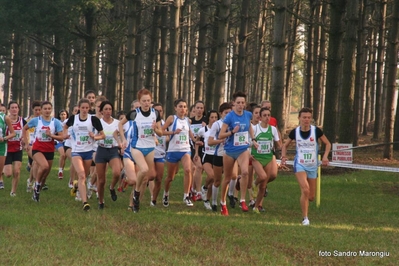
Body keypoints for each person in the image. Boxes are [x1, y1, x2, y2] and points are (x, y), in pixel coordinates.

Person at [281, 107, 331, 226]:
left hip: (313, 166)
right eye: (304, 117)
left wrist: (325, 157)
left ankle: (305, 202)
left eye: (308, 117)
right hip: (300, 165)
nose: (306, 120)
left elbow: (328, 144)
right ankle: (305, 218)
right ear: (299, 118)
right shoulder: (295, 132)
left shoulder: (316, 131)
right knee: (305, 189)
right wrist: (283, 156)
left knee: (311, 196)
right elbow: (285, 146)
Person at [119, 88, 163, 212]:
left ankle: (136, 200)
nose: (146, 103)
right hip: (136, 147)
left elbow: (161, 133)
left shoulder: (156, 113)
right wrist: (123, 139)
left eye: (148, 100)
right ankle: (136, 194)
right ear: (140, 101)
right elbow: (120, 125)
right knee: (144, 169)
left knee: (148, 177)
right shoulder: (134, 113)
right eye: (144, 101)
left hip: (150, 147)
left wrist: (155, 129)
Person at [64, 98, 105, 211]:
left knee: (84, 176)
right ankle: (85, 202)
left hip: (88, 151)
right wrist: (65, 135)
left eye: (87, 108)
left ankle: (77, 186)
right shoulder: (73, 118)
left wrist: (94, 137)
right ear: (79, 108)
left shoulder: (94, 119)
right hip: (76, 151)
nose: (85, 110)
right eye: (83, 108)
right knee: (81, 175)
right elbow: (65, 127)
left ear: (89, 108)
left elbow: (103, 135)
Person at [218, 91, 254, 216]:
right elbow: (221, 134)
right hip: (229, 151)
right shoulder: (229, 117)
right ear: (234, 103)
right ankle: (223, 203)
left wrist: (253, 139)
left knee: (244, 172)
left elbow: (249, 127)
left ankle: (243, 200)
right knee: (227, 178)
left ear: (245, 104)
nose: (240, 105)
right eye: (238, 103)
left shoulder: (248, 115)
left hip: (242, 149)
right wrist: (232, 132)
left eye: (242, 103)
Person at [23, 101, 63, 202]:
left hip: (49, 150)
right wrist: (27, 144)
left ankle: (36, 192)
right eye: (45, 109)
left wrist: (51, 136)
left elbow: (61, 137)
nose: (47, 111)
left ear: (51, 110)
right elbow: (24, 128)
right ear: (41, 110)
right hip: (37, 149)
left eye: (49, 109)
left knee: (45, 175)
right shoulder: (36, 120)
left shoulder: (56, 122)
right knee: (44, 166)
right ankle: (36, 185)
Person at [162, 99, 195, 207]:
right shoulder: (172, 118)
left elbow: (190, 134)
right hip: (172, 151)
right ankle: (166, 193)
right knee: (170, 177)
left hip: (185, 150)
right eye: (180, 106)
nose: (182, 109)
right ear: (175, 108)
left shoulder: (188, 121)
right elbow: (161, 131)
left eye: (184, 107)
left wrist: (196, 140)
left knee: (188, 169)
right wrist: (173, 132)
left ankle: (186, 196)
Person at [251, 107, 280, 213]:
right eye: (265, 115)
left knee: (263, 186)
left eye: (269, 115)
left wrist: (281, 154)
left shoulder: (273, 129)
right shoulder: (254, 128)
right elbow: (247, 141)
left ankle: (256, 207)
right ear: (260, 117)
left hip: (268, 157)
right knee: (262, 176)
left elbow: (277, 143)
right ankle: (254, 183)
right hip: (256, 157)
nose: (267, 117)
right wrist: (249, 153)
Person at [95, 101, 122, 209]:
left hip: (113, 150)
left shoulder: (117, 122)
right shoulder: (98, 122)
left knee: (117, 172)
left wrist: (121, 143)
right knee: (101, 181)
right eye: (105, 109)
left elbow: (122, 134)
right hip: (101, 150)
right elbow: (94, 135)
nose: (108, 111)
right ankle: (101, 202)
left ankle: (111, 188)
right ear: (101, 111)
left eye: (110, 109)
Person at [208, 102, 232, 212]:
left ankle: (228, 198)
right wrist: (220, 140)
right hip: (219, 154)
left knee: (230, 177)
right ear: (221, 113)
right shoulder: (217, 125)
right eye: (226, 113)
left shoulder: (233, 123)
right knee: (217, 180)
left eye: (230, 112)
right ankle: (214, 202)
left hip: (230, 154)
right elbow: (210, 142)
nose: (228, 115)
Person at [195, 110, 219, 210]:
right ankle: (204, 187)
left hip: (217, 156)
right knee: (212, 176)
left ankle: (207, 200)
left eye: (216, 117)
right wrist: (196, 153)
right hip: (206, 156)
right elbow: (196, 141)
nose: (214, 119)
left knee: (214, 180)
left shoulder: (219, 129)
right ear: (208, 118)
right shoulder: (203, 130)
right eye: (212, 117)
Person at [4, 101, 26, 196]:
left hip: (18, 149)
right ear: (9, 109)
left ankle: (13, 191)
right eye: (12, 107)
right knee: (8, 174)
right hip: (7, 149)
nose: (14, 109)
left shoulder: (22, 121)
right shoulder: (5, 120)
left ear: (18, 109)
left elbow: (26, 130)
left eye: (16, 107)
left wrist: (26, 141)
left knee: (16, 171)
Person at [151, 103, 168, 206]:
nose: (158, 112)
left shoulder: (165, 123)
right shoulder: (148, 122)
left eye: (160, 111)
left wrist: (166, 137)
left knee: (159, 178)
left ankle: (153, 200)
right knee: (150, 176)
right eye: (156, 110)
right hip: (150, 153)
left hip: (161, 154)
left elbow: (169, 136)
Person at [189, 100, 206, 201]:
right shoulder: (190, 121)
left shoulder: (205, 121)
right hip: (192, 148)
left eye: (201, 108)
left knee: (199, 170)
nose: (199, 110)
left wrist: (206, 127)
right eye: (197, 108)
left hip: (203, 148)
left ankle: (193, 189)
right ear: (194, 109)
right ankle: (198, 192)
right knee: (198, 167)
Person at [25, 101, 42, 192]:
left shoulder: (43, 121)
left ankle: (30, 181)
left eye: (39, 110)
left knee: (34, 164)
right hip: (30, 145)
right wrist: (26, 143)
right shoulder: (28, 120)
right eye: (36, 110)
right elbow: (24, 131)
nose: (38, 112)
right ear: (33, 110)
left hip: (39, 145)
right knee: (36, 162)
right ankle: (36, 182)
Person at [0, 105, 16, 191]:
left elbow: (13, 133)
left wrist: (4, 138)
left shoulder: (5, 118)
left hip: (2, 145)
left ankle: (0, 179)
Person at [55, 109, 69, 179]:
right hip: (59, 141)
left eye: (64, 114)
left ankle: (61, 171)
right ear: (59, 116)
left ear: (66, 115)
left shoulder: (69, 121)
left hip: (66, 141)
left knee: (65, 157)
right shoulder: (57, 122)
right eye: (61, 114)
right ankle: (60, 171)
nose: (63, 116)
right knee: (62, 154)